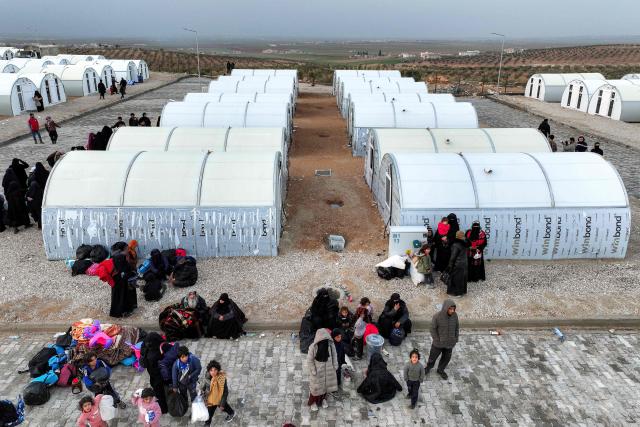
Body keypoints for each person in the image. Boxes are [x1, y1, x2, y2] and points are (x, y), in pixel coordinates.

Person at [425, 299, 459, 380]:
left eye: (453, 309)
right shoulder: (437, 316)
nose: (452, 311)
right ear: (445, 308)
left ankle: (440, 370)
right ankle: (428, 368)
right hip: (438, 343)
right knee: (432, 357)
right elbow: (432, 329)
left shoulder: (455, 316)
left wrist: (455, 338)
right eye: (450, 309)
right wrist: (437, 340)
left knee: (446, 358)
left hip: (449, 343)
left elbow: (457, 327)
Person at [307, 328, 339, 411]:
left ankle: (322, 400)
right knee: (315, 388)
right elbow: (309, 360)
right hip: (317, 372)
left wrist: (335, 365)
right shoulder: (313, 347)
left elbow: (334, 354)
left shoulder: (330, 345)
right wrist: (313, 370)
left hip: (328, 370)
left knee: (325, 387)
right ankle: (313, 402)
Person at [139, 332, 169, 414]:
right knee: (161, 391)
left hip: (153, 374)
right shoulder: (157, 351)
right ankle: (164, 408)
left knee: (159, 391)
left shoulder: (145, 347)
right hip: (159, 374)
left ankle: (163, 408)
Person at [202, 360, 236, 424]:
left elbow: (225, 392)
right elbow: (206, 384)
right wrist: (203, 390)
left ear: (218, 370)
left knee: (224, 407)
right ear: (209, 371)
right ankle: (207, 424)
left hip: (219, 398)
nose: (213, 372)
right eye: (211, 370)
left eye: (215, 370)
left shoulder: (222, 379)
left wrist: (222, 404)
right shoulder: (207, 375)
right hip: (210, 398)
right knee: (209, 413)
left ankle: (231, 413)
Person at [109, 253, 138, 318]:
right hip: (124, 288)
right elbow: (132, 274)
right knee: (124, 298)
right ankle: (125, 311)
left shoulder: (114, 268)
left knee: (117, 299)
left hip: (117, 288)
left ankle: (117, 313)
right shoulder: (126, 266)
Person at [447, 230, 469, 297]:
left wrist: (450, 266)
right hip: (464, 263)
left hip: (457, 264)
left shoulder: (456, 244)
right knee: (462, 278)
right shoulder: (465, 242)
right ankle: (462, 291)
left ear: (456, 236)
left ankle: (457, 293)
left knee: (456, 279)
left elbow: (453, 257)